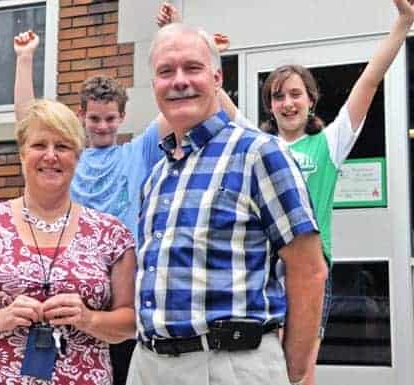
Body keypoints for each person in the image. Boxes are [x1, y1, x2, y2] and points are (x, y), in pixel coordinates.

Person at [213, 2, 414, 384]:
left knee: (301, 371)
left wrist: (403, 23)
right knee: (265, 366)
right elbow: (221, 104)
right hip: (262, 270)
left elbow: (369, 81)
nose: (286, 103)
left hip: (308, 270)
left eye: (294, 94)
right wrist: (207, 57)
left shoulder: (329, 143)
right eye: (277, 97)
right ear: (269, 105)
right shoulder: (260, 145)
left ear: (310, 99)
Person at [128, 22, 328, 385]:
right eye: (165, 72)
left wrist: (294, 369)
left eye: (192, 68)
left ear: (217, 78)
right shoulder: (157, 176)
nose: (179, 81)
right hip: (148, 366)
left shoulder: (259, 153)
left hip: (230, 365)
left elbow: (309, 269)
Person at [0, 99, 137, 385]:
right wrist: (1, 318)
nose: (51, 156)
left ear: (78, 156)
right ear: (23, 153)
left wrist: (88, 319)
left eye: (62, 147)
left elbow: (130, 321)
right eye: (40, 145)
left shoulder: (111, 232)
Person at [12, 31, 167, 385]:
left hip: (123, 286)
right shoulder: (68, 157)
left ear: (123, 117)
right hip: (74, 281)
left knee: (123, 370)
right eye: (95, 118)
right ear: (81, 115)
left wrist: (163, 36)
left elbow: (171, 108)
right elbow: (26, 120)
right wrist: (24, 60)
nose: (103, 126)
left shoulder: (138, 152)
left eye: (111, 118)